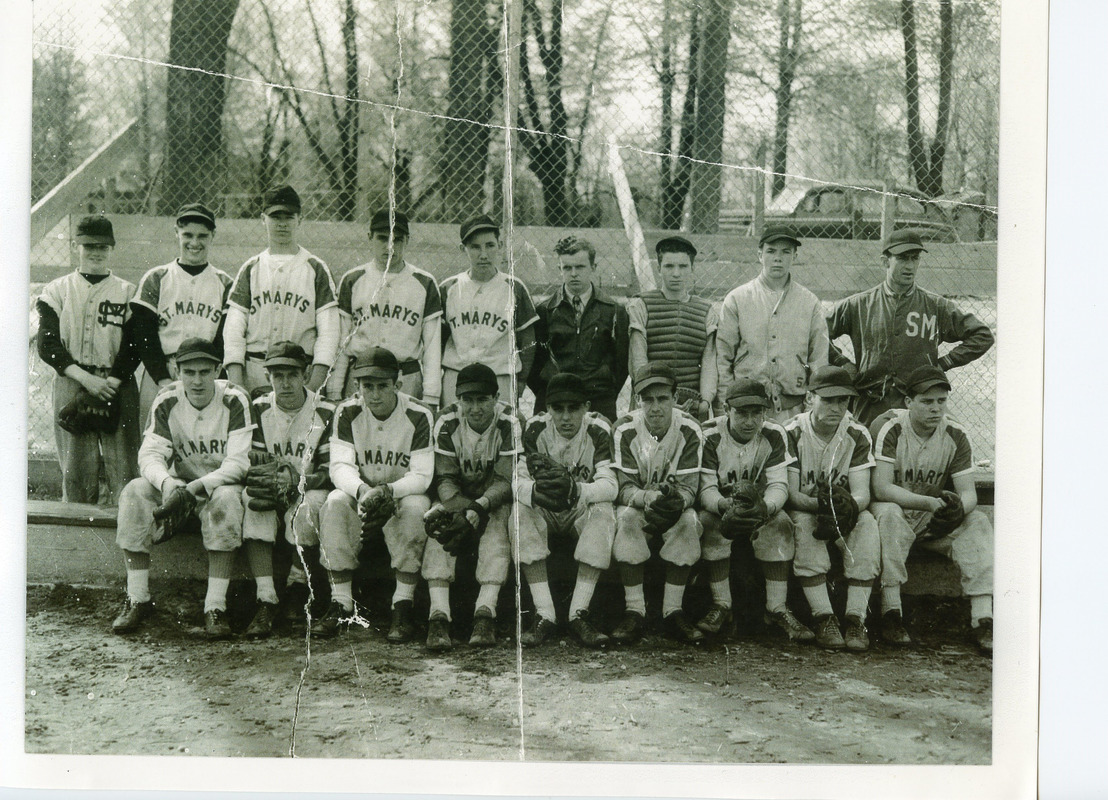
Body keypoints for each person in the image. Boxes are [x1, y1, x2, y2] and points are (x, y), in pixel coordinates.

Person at [111, 338, 253, 638]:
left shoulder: (235, 398)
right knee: (135, 492)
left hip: (217, 486)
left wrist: (194, 489)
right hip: (177, 488)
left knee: (227, 500)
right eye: (189, 372)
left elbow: (238, 463)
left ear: (218, 369)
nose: (198, 380)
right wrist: (168, 484)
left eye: (205, 371)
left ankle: (215, 606)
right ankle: (138, 598)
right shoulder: (167, 399)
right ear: (177, 372)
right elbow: (149, 454)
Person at [312, 348, 435, 642]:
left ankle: (402, 605)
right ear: (358, 387)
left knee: (417, 508)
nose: (375, 393)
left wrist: (389, 490)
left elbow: (422, 475)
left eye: (383, 385)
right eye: (368, 386)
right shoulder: (348, 410)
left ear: (398, 384)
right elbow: (340, 465)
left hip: (401, 492)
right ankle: (340, 601)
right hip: (363, 490)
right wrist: (363, 490)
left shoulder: (419, 414)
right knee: (334, 502)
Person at [870, 365, 994, 654]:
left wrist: (957, 510)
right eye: (927, 402)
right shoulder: (889, 427)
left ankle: (983, 618)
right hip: (896, 511)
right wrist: (927, 502)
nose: (935, 409)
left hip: (930, 517)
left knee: (977, 522)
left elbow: (968, 493)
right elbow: (882, 488)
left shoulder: (955, 433)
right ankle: (891, 612)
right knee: (889, 514)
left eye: (941, 401)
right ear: (908, 402)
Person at [826, 229, 995, 425]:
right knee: (868, 450)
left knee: (950, 439)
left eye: (915, 259)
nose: (910, 266)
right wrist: (841, 362)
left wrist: (945, 363)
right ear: (885, 261)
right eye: (902, 258)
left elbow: (982, 335)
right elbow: (816, 332)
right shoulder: (859, 304)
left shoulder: (935, 305)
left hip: (918, 401)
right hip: (871, 401)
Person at [697, 379, 813, 642]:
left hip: (759, 508)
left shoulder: (774, 433)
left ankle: (777, 608)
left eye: (756, 413)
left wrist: (766, 507)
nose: (749, 421)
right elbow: (706, 490)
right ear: (726, 409)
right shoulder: (709, 435)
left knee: (781, 523)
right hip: (722, 507)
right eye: (741, 413)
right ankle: (721, 604)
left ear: (765, 412)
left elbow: (779, 486)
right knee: (709, 523)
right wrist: (723, 506)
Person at [35, 214, 140, 504]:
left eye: (103, 246)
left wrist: (111, 381)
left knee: (125, 468)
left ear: (112, 249)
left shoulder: (128, 291)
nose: (96, 252)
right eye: (88, 245)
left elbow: (134, 345)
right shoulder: (57, 290)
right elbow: (47, 344)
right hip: (73, 379)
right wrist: (86, 379)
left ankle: (124, 534)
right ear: (74, 247)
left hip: (117, 383)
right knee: (76, 468)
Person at [422, 362, 523, 651]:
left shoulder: (510, 421)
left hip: (493, 501)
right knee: (438, 526)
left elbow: (505, 480)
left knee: (499, 526)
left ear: (496, 398)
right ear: (458, 399)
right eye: (468, 400)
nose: (475, 408)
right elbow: (444, 477)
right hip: (456, 497)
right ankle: (438, 616)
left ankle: (485, 612)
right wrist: (458, 509)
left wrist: (477, 509)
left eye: (482, 400)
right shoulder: (447, 421)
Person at [513, 373, 619, 648]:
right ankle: (545, 613)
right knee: (520, 512)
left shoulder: (598, 428)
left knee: (604, 510)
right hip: (547, 509)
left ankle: (578, 614)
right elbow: (517, 482)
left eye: (574, 408)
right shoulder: (536, 428)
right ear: (547, 409)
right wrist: (534, 493)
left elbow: (610, 485)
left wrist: (577, 491)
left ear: (586, 406)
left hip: (579, 507)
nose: (566, 416)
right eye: (558, 408)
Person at [783, 366, 880, 652]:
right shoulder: (790, 432)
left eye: (843, 400)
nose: (837, 407)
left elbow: (862, 493)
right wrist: (822, 506)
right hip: (805, 510)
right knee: (804, 522)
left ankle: (855, 619)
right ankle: (823, 616)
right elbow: (792, 495)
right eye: (828, 399)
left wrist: (848, 506)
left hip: (842, 513)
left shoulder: (857, 433)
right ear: (809, 398)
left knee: (867, 524)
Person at [242, 341, 335, 634]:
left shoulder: (326, 410)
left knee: (309, 507)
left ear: (305, 375)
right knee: (251, 499)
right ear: (267, 376)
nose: (284, 383)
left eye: (291, 375)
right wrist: (267, 475)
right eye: (276, 375)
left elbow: (330, 470)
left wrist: (300, 482)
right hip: (274, 486)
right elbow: (252, 464)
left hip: (308, 488)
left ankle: (297, 587)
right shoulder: (258, 408)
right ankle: (266, 598)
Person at [610, 363, 705, 644]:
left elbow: (690, 488)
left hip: (674, 505)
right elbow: (624, 488)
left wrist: (677, 500)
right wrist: (648, 497)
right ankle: (635, 610)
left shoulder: (690, 427)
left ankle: (672, 611)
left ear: (675, 399)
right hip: (638, 504)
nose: (655, 407)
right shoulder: (624, 428)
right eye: (647, 399)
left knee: (689, 521)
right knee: (626, 519)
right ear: (637, 400)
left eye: (663, 399)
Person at [222, 185, 340, 395]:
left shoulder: (316, 268)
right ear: (262, 219)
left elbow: (329, 333)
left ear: (300, 220)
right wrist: (238, 383)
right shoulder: (251, 268)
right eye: (275, 216)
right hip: (256, 369)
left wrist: (314, 385)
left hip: (300, 372)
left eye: (289, 217)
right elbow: (233, 330)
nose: (282, 223)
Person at [129, 203, 232, 425]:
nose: (195, 242)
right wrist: (162, 378)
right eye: (188, 235)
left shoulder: (225, 283)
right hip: (161, 368)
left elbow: (224, 339)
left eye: (202, 236)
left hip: (203, 374)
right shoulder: (156, 278)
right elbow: (144, 335)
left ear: (213, 235)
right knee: (153, 439)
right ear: (176, 232)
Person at [328, 210, 443, 406]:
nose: (389, 246)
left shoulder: (424, 282)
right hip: (361, 377)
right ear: (369, 238)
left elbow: (432, 346)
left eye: (397, 240)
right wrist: (334, 391)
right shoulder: (353, 280)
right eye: (382, 238)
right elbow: (342, 343)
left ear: (407, 240)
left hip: (405, 377)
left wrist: (431, 397)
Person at [715, 224, 828, 423]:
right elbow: (723, 356)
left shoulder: (809, 302)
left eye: (786, 252)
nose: (778, 258)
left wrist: (811, 406)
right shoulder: (738, 299)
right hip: (746, 406)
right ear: (760, 255)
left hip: (793, 406)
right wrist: (728, 400)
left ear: (795, 257)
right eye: (771, 251)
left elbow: (818, 358)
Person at [439, 215, 539, 406]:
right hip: (456, 374)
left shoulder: (514, 287)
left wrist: (521, 380)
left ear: (500, 246)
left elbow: (528, 340)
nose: (483, 254)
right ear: (463, 249)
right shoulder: (448, 288)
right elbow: (439, 340)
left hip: (500, 375)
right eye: (475, 247)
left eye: (490, 245)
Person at [530, 235, 630, 423]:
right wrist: (552, 388)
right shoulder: (545, 311)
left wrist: (603, 388)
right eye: (567, 267)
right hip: (554, 400)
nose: (573, 273)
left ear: (593, 268)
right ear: (560, 269)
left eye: (580, 267)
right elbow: (535, 362)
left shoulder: (614, 311)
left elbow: (621, 364)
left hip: (598, 399)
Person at [626, 236, 717, 420]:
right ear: (659, 269)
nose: (676, 273)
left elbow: (709, 361)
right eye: (669, 266)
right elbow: (638, 359)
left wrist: (705, 402)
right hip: (651, 401)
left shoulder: (706, 311)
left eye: (683, 266)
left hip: (692, 404)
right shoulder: (641, 305)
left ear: (692, 269)